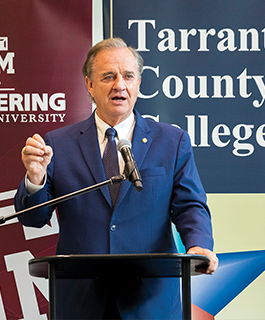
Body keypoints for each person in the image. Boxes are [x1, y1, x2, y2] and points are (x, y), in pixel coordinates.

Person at [14, 37, 218, 319]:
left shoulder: (172, 141)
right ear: (89, 85)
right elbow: (33, 219)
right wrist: (34, 178)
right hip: (81, 301)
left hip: (150, 300)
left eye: (128, 76)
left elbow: (190, 205)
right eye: (108, 76)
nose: (119, 85)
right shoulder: (58, 144)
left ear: (138, 83)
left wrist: (199, 245)